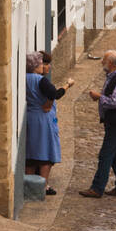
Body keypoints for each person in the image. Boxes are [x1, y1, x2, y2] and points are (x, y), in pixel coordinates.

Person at [79, 49, 116, 199]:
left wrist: (99, 97)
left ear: (110, 63)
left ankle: (97, 188)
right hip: (113, 121)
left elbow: (115, 102)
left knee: (106, 155)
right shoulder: (112, 76)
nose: (102, 63)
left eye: (104, 60)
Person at [25, 51, 73, 195]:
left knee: (31, 154)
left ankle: (29, 187)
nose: (44, 66)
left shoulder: (24, 78)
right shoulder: (40, 80)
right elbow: (54, 94)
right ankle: (42, 186)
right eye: (42, 63)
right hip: (43, 119)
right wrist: (67, 85)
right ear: (35, 65)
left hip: (30, 116)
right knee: (46, 153)